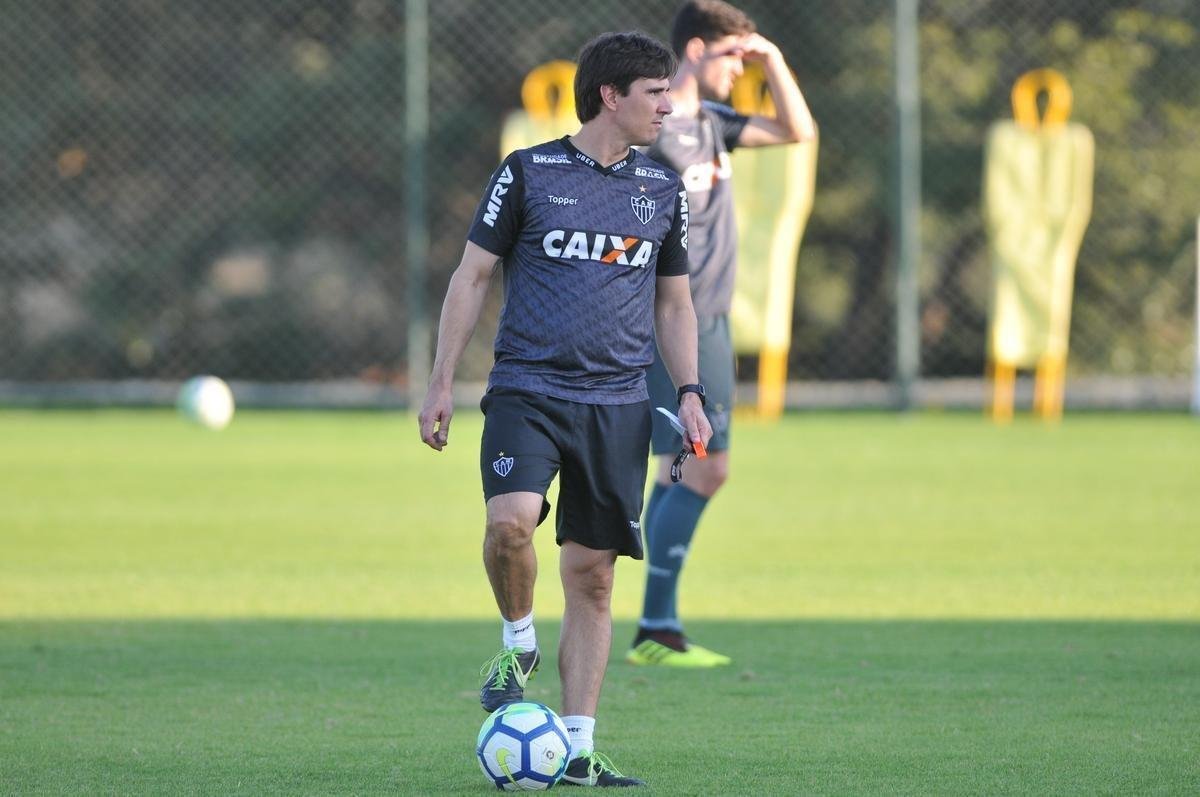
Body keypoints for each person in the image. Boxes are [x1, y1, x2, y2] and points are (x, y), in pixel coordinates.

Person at [418, 30, 712, 788]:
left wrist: (689, 391)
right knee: (509, 523)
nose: (667, 106)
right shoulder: (527, 172)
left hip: (618, 403)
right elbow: (471, 276)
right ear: (611, 96)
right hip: (528, 389)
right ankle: (518, 641)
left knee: (592, 577)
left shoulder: (662, 189)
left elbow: (674, 304)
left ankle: (578, 749)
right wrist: (441, 380)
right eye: (655, 92)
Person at [627, 0, 816, 669]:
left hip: (710, 316)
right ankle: (656, 625)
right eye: (736, 56)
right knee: (708, 466)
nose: (743, 70)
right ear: (698, 49)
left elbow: (797, 130)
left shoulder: (713, 122)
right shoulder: (654, 131)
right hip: (672, 319)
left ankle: (655, 624)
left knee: (681, 466)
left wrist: (773, 59)